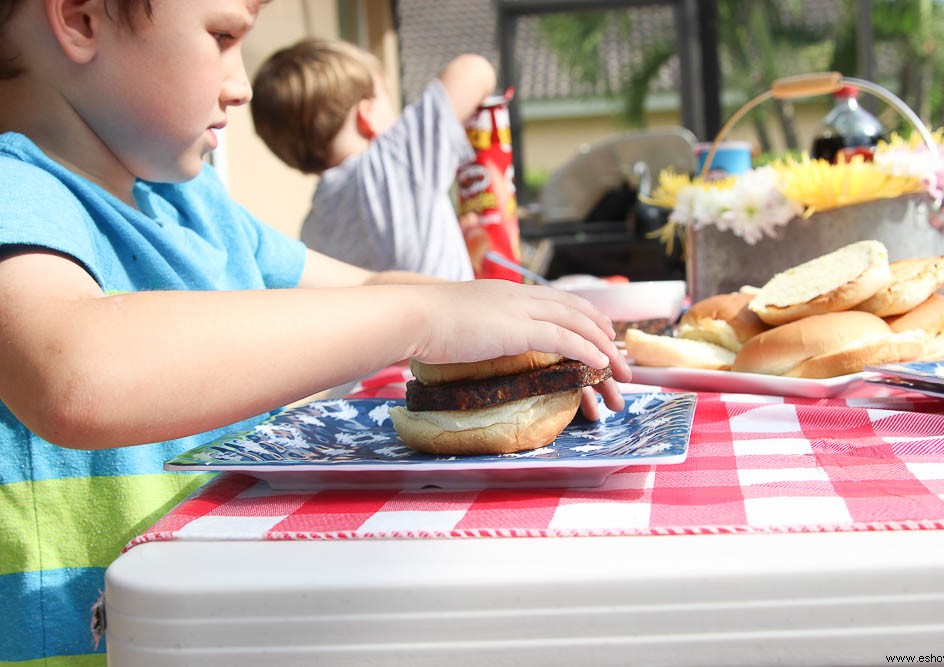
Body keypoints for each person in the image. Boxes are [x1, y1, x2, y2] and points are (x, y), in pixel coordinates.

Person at [0, 0, 629, 664]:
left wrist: (521, 332)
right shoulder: (17, 190)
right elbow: (75, 372)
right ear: (79, 20)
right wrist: (425, 320)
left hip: (227, 633)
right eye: (219, 37)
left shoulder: (193, 207)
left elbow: (361, 289)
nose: (239, 83)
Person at [251, 38, 487, 281]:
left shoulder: (312, 230)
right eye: (385, 96)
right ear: (368, 115)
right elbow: (474, 69)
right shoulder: (392, 161)